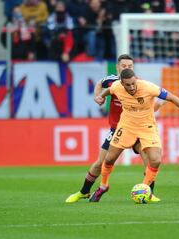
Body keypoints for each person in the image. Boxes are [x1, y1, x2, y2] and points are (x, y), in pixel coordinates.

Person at [65, 54, 164, 203]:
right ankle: (84, 192)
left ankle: (148, 193)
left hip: (138, 129)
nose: (127, 68)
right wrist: (97, 96)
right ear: (118, 67)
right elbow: (100, 83)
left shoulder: (138, 84)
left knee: (149, 160)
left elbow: (150, 105)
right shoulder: (113, 81)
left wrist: (159, 104)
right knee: (101, 162)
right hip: (117, 129)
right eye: (124, 66)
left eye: (130, 66)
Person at [94, 68, 179, 202]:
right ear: (122, 83)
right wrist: (101, 97)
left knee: (156, 160)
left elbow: (172, 97)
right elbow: (109, 90)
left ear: (136, 79)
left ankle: (145, 188)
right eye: (128, 85)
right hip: (126, 126)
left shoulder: (149, 87)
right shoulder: (117, 86)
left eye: (133, 83)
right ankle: (103, 185)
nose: (132, 87)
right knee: (109, 159)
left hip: (147, 127)